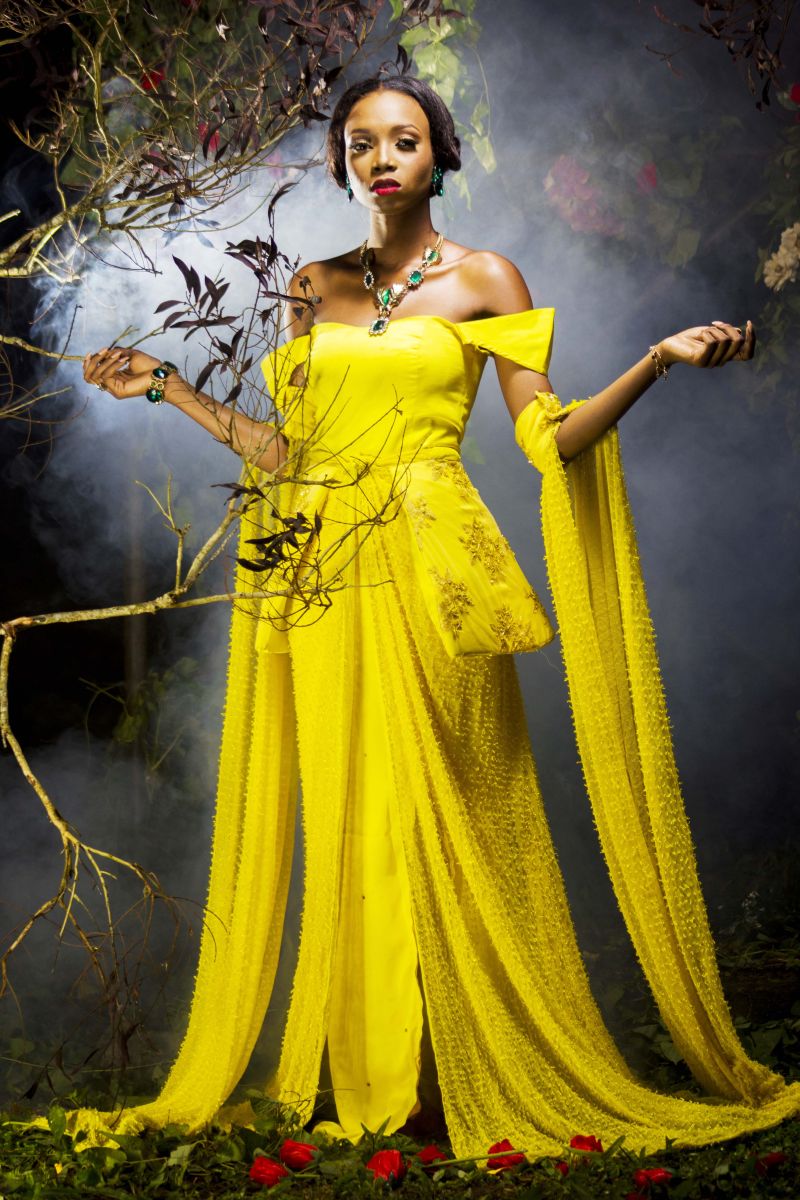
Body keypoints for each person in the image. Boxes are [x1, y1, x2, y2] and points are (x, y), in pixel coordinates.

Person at [79, 74, 800, 1160]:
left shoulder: (484, 277)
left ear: (439, 156)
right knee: (350, 814)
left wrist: (655, 362)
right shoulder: (310, 284)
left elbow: (550, 439)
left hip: (433, 566)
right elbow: (287, 453)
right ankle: (369, 1084)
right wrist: (168, 386)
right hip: (322, 570)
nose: (381, 157)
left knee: (462, 806)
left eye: (404, 139)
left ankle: (459, 1072)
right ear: (340, 161)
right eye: (361, 141)